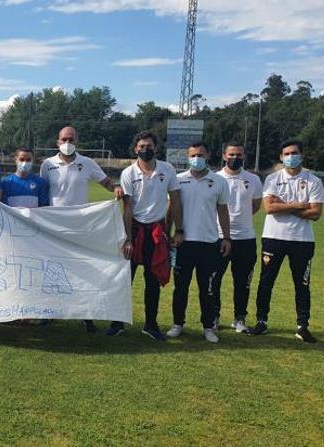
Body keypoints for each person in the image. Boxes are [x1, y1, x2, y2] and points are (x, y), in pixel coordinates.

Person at [41, 126, 121, 333]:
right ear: (57, 142)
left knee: (82, 271)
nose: (67, 142)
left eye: (71, 138)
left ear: (77, 141)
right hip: (53, 227)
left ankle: (86, 314)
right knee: (52, 271)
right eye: (64, 139)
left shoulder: (87, 163)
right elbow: (42, 191)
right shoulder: (47, 164)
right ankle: (50, 312)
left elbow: (105, 182)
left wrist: (116, 188)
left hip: (80, 228)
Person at [109, 130, 183, 341]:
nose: (145, 149)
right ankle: (117, 322)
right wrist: (128, 238)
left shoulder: (167, 169)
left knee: (153, 279)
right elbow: (128, 207)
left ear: (155, 148)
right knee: (125, 279)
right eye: (141, 147)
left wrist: (179, 230)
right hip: (135, 229)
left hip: (157, 230)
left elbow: (175, 201)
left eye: (149, 146)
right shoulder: (128, 173)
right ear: (135, 149)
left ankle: (150, 324)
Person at [249, 140, 324, 343]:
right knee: (266, 282)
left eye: (295, 152)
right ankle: (262, 322)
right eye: (287, 153)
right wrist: (299, 206)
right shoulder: (273, 179)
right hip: (274, 237)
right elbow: (269, 208)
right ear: (281, 157)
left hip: (302, 240)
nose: (291, 156)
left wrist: (283, 205)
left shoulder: (313, 181)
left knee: (302, 284)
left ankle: (302, 326)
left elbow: (316, 213)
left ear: (302, 155)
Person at [166, 142, 231, 343]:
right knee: (181, 288)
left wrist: (226, 237)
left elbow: (222, 211)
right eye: (193, 155)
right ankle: (178, 323)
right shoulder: (177, 180)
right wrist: (167, 235)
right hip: (183, 243)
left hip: (209, 243)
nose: (197, 158)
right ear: (187, 157)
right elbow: (171, 209)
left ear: (208, 155)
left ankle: (208, 327)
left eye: (200, 155)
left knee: (208, 289)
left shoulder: (219, 181)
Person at [211, 142, 263, 334]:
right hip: (217, 237)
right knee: (214, 280)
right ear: (224, 155)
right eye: (232, 154)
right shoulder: (215, 178)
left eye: (239, 155)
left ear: (244, 156)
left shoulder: (253, 179)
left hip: (246, 239)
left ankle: (239, 318)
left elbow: (256, 206)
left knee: (242, 282)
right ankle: (214, 317)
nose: (235, 158)